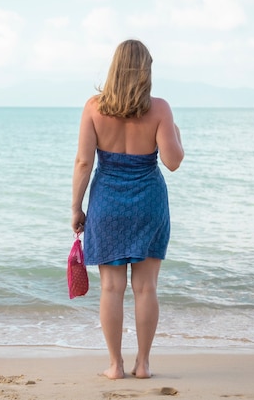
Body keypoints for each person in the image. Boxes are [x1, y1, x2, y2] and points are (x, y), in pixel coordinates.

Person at [71, 39, 184, 380]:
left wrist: (76, 207)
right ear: (145, 71)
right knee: (146, 288)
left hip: (107, 202)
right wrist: (175, 131)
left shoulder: (93, 107)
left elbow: (83, 163)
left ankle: (115, 365)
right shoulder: (160, 108)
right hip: (148, 202)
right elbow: (173, 162)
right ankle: (144, 365)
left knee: (111, 288)